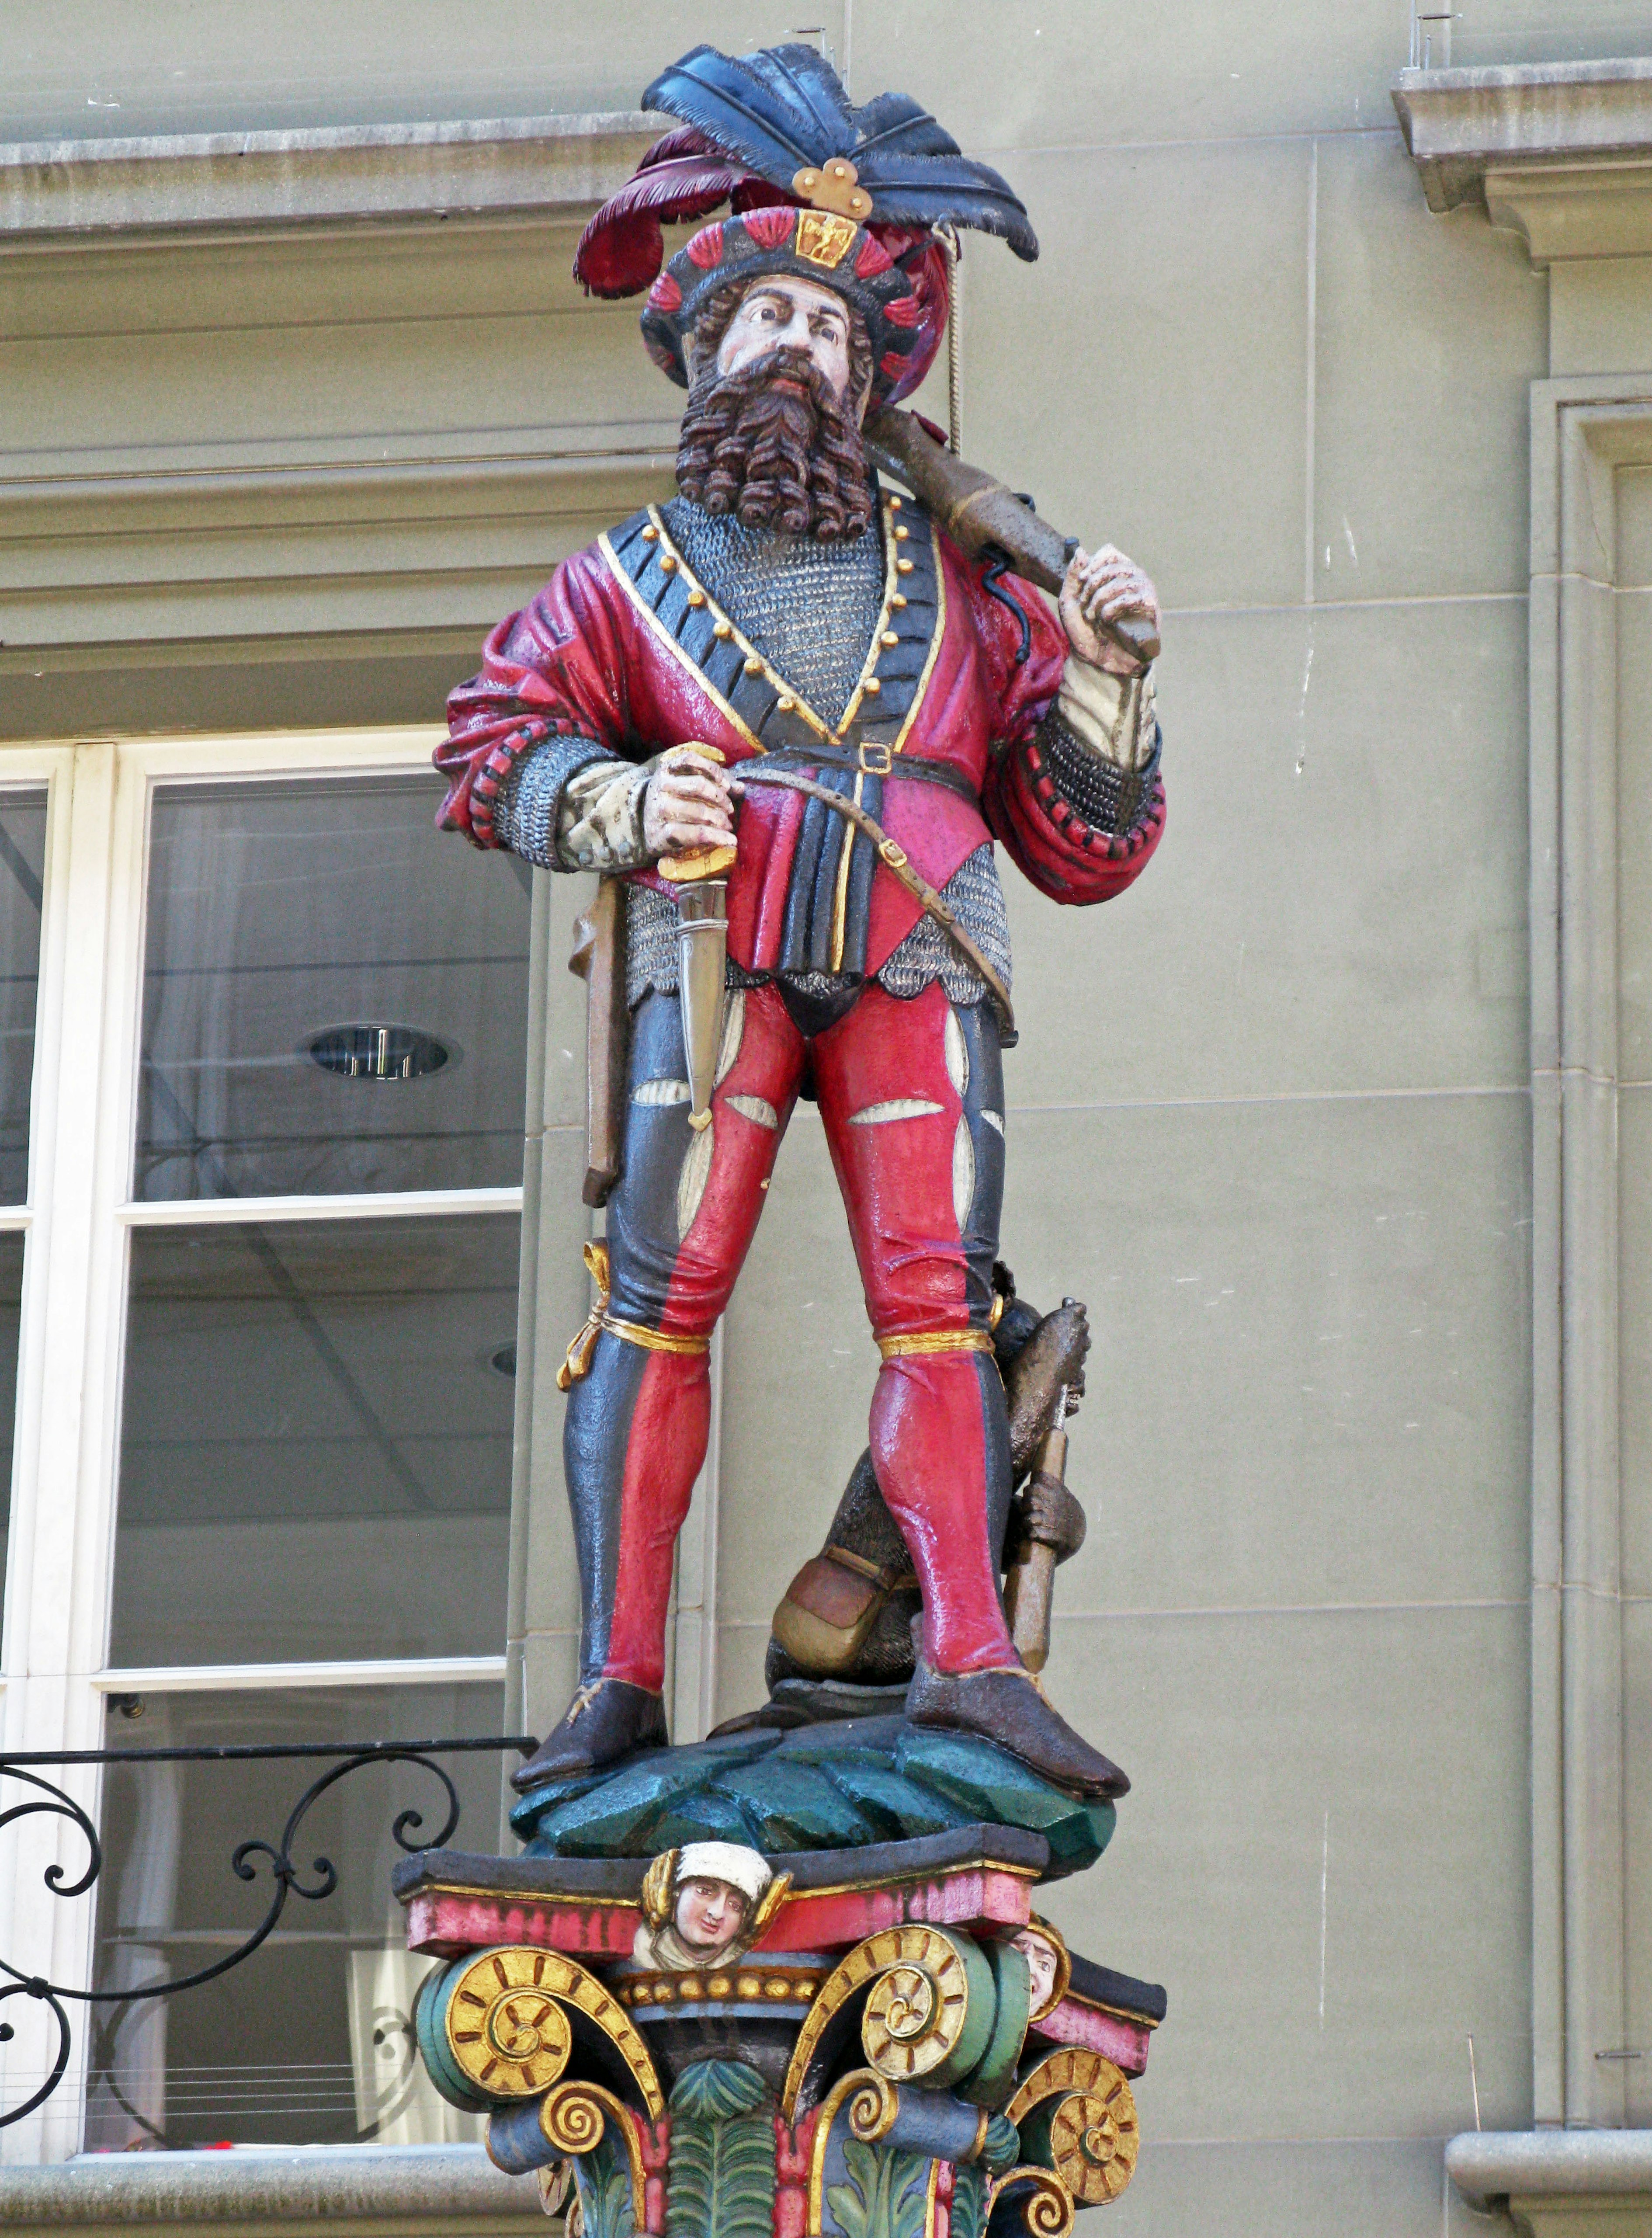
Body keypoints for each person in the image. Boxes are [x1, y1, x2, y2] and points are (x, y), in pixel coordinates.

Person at [437, 44, 1165, 1803]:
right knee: (661, 1303)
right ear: (705, 349)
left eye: (833, 333)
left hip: (923, 951)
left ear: (868, 376)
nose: (799, 352)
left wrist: (1106, 680)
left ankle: (972, 1657)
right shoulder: (620, 579)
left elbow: (1081, 840)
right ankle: (615, 1680)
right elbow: (489, 749)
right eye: (765, 319)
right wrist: (619, 801)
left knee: (936, 1305)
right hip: (712, 936)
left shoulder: (973, 587)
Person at [633, 1842, 781, 1971]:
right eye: (705, 1892)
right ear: (674, 1895)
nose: (717, 1913)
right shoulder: (642, 1951)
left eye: (735, 1906)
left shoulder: (752, 1971)